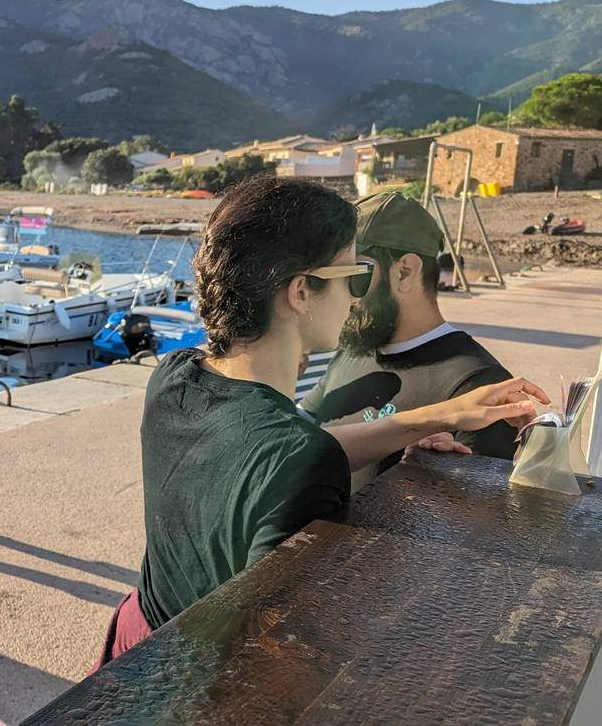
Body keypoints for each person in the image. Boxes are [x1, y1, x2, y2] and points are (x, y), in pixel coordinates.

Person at [94, 175, 546, 668]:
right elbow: (272, 658)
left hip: (136, 641)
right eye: (352, 277)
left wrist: (435, 415)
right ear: (301, 292)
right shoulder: (300, 460)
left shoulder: (173, 376)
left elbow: (274, 449)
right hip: (195, 680)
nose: (357, 297)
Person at [299, 191, 517, 490]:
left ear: (404, 272)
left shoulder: (477, 385)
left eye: (355, 275)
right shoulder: (354, 348)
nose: (343, 295)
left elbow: (473, 525)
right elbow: (298, 433)